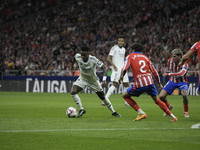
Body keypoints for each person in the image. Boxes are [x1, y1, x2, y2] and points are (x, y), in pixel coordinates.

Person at [119, 43, 177, 121]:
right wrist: (159, 84)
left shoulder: (130, 56)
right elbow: (155, 72)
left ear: (133, 50)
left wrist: (121, 78)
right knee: (157, 100)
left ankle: (141, 113)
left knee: (125, 95)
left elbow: (124, 68)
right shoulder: (145, 57)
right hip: (150, 82)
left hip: (140, 83)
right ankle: (173, 117)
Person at [70, 46, 121, 118]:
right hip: (83, 79)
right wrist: (72, 65)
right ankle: (81, 109)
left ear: (88, 53)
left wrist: (104, 80)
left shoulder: (93, 59)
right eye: (82, 55)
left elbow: (105, 68)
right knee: (73, 92)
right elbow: (74, 59)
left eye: (84, 55)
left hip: (93, 81)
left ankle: (113, 112)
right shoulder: (78, 57)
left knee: (102, 97)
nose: (82, 57)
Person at [159, 49, 189, 118]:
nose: (173, 58)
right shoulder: (170, 61)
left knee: (184, 95)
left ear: (179, 56)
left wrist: (169, 74)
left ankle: (186, 112)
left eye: (174, 56)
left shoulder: (185, 63)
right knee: (161, 96)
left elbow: (181, 74)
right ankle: (168, 107)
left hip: (182, 82)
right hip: (172, 81)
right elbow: (171, 69)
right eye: (172, 56)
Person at [101, 35, 130, 106]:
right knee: (115, 84)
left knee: (126, 84)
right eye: (119, 41)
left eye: (122, 41)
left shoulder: (124, 49)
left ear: (124, 42)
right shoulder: (114, 48)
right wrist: (113, 66)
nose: (120, 42)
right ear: (117, 41)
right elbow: (108, 58)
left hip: (123, 69)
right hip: (117, 70)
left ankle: (127, 102)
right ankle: (105, 100)